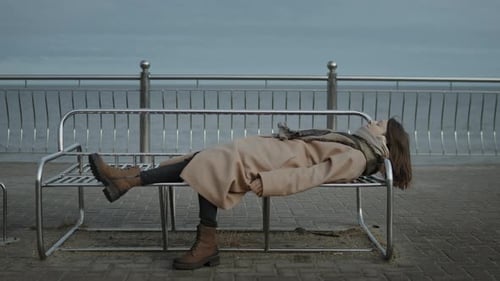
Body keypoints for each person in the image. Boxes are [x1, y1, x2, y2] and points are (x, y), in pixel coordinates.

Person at [88, 118, 412, 270]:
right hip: (269, 151)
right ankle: (127, 179)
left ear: (385, 139)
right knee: (207, 160)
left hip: (271, 163)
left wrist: (269, 182)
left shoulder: (357, 157)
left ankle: (130, 182)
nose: (373, 121)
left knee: (212, 164)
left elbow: (311, 175)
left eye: (380, 123)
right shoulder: (355, 145)